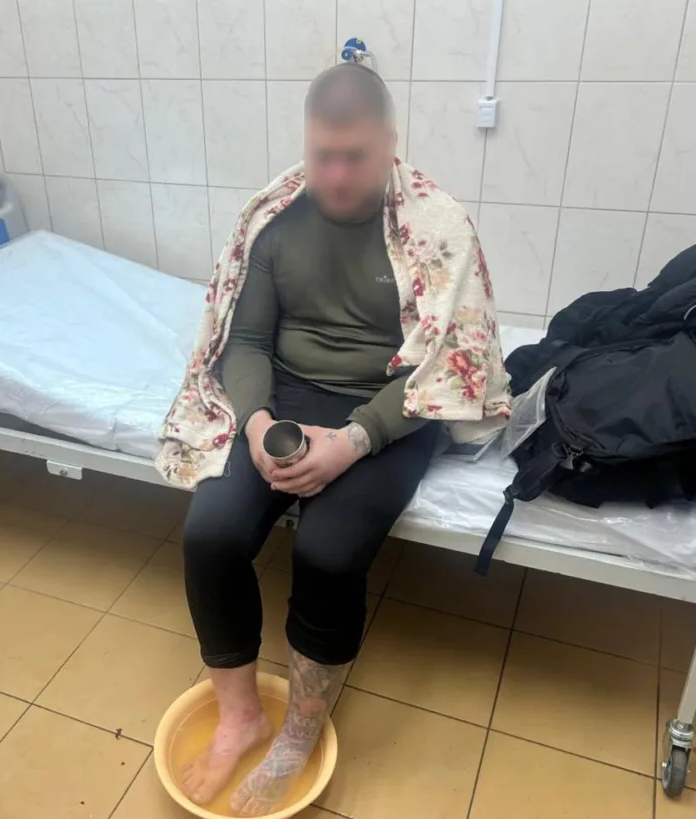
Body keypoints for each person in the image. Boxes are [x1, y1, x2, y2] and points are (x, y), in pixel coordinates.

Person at [176, 63, 489, 817]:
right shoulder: (275, 221)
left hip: (394, 403)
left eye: (356, 156)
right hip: (285, 395)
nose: (337, 175)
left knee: (326, 550)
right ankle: (241, 715)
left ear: (390, 144)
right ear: (306, 144)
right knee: (210, 533)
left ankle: (298, 732)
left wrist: (354, 440)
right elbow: (247, 340)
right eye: (323, 155)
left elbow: (444, 365)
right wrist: (256, 423)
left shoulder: (435, 228)